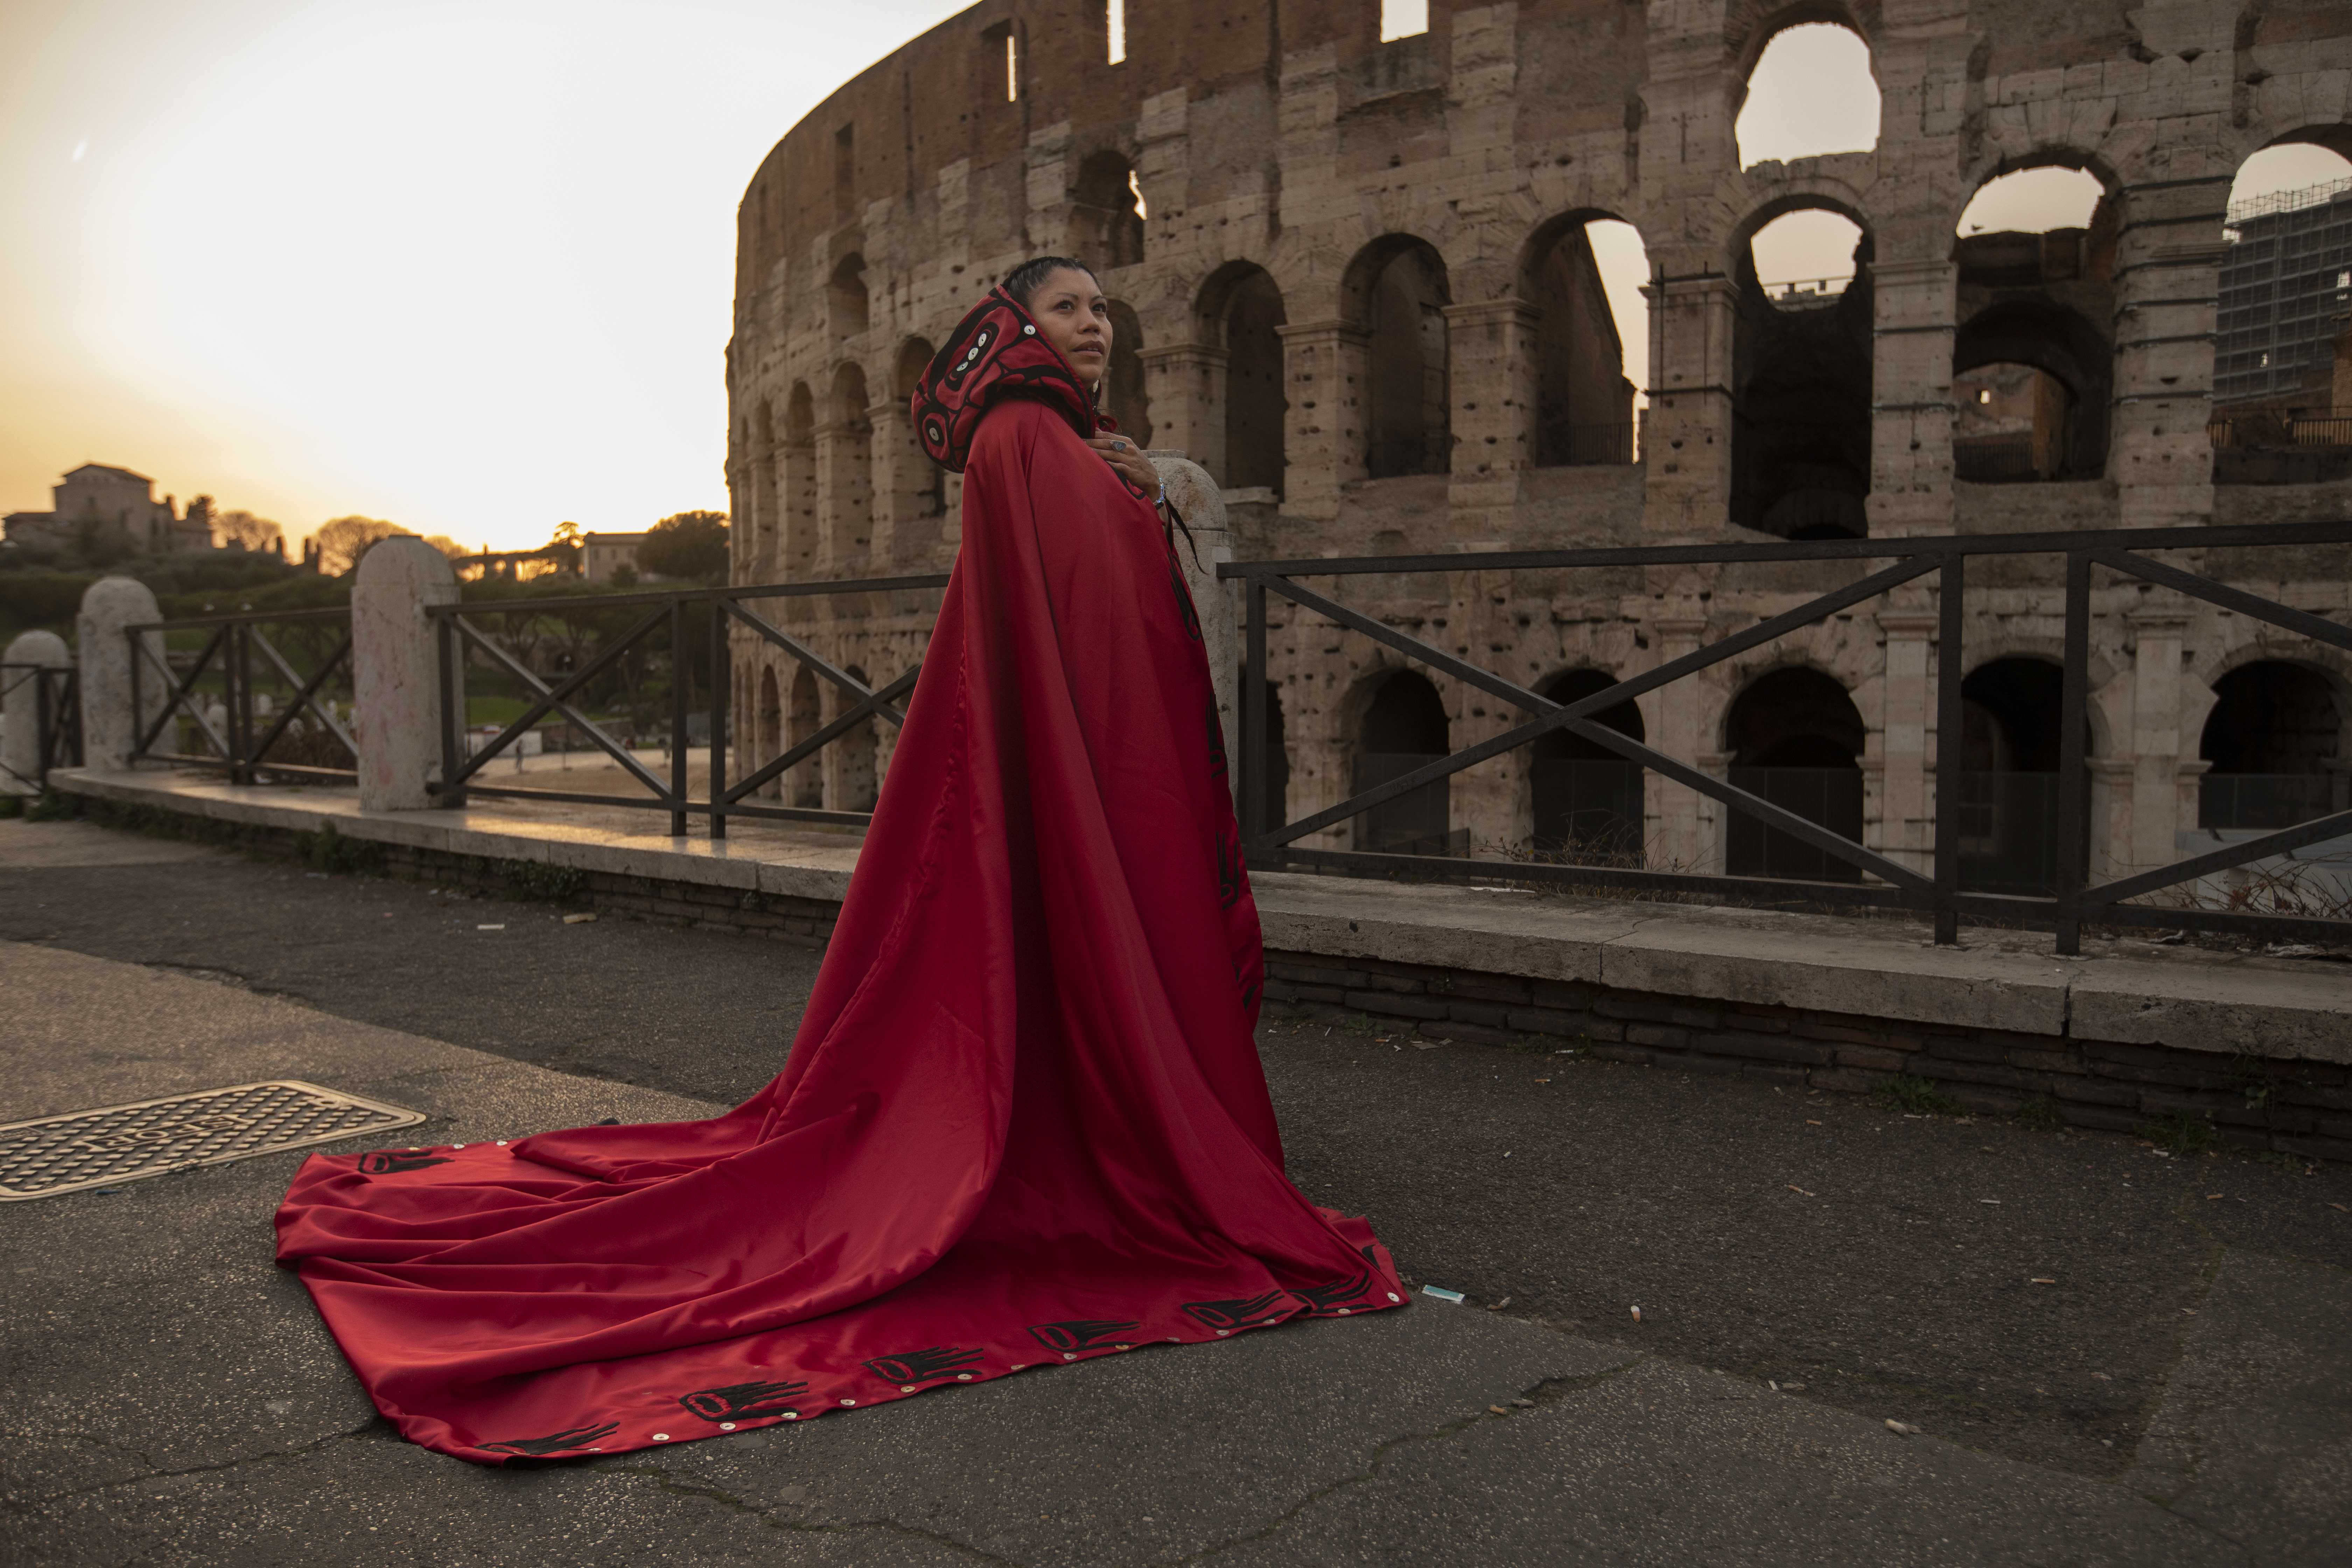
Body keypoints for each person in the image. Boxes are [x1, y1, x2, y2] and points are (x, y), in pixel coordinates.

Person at [274, 258, 1404, 1465]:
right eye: (1069, 308)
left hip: (1058, 762)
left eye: (1102, 310)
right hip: (1068, 771)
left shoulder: (1049, 438)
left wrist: (1130, 486)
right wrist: (1139, 505)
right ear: (1015, 327)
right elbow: (1089, 607)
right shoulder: (1030, 434)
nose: (1098, 327)